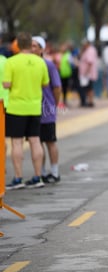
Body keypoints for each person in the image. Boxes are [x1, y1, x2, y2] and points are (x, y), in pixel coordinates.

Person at [3, 32, 49, 190]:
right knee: (35, 141)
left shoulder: (11, 62)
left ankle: (18, 178)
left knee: (17, 142)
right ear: (31, 45)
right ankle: (38, 176)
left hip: (16, 107)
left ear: (17, 45)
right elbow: (45, 84)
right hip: (35, 107)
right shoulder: (40, 62)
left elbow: (6, 84)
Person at [32, 36, 62, 184]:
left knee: (50, 141)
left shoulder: (48, 65)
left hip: (46, 111)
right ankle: (41, 172)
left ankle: (55, 172)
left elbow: (57, 88)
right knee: (37, 143)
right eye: (30, 46)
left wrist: (53, 105)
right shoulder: (29, 65)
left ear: (42, 49)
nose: (32, 49)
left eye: (35, 46)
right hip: (32, 110)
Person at [78, 39, 98, 107]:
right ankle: (90, 101)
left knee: (89, 88)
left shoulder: (90, 50)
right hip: (87, 73)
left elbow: (90, 62)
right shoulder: (87, 50)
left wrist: (86, 72)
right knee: (88, 88)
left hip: (88, 74)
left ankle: (90, 101)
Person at [58, 41, 73, 106]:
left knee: (65, 88)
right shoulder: (59, 54)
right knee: (59, 88)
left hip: (66, 74)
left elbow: (71, 62)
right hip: (59, 74)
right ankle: (60, 101)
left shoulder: (68, 54)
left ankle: (64, 100)